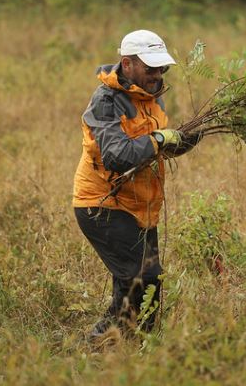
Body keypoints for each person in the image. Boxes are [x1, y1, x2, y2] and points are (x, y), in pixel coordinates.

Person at [72, 29, 199, 339]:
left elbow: (156, 148)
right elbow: (116, 156)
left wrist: (187, 137)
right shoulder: (107, 101)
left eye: (161, 68)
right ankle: (124, 343)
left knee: (135, 285)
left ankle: (123, 346)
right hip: (103, 204)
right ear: (127, 64)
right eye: (150, 68)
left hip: (140, 203)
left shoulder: (152, 96)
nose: (157, 74)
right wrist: (157, 139)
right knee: (146, 278)